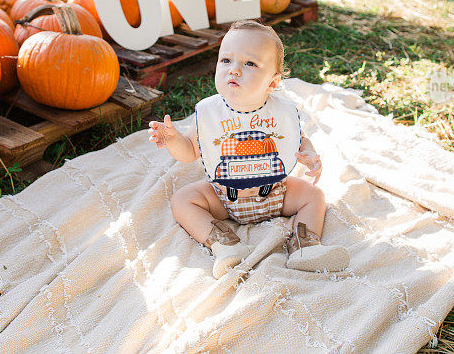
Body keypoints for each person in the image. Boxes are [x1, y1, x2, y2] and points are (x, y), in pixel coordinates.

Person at [148, 19, 350, 278]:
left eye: (250, 63)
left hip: (276, 192)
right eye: (226, 61)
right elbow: (189, 151)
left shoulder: (281, 112)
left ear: (273, 82)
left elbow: (298, 140)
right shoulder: (211, 114)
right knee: (182, 200)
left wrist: (309, 155)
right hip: (223, 195)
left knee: (314, 196)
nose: (234, 70)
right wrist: (173, 140)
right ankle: (225, 245)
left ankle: (304, 246)